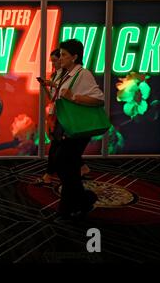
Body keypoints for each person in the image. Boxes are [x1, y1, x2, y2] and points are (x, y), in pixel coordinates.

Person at [52, 39, 102, 220]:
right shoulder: (65, 74)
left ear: (75, 57)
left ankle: (70, 206)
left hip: (80, 128)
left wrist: (74, 96)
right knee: (69, 167)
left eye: (64, 54)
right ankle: (80, 202)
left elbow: (99, 99)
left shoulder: (83, 74)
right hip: (69, 127)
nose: (61, 57)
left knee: (63, 163)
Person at [35, 48, 91, 186]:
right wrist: (45, 87)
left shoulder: (73, 75)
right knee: (61, 146)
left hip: (66, 115)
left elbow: (68, 94)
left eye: (58, 58)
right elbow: (53, 98)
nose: (55, 62)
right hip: (56, 112)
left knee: (58, 146)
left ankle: (48, 175)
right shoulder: (56, 75)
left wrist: (52, 84)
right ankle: (83, 168)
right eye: (54, 60)